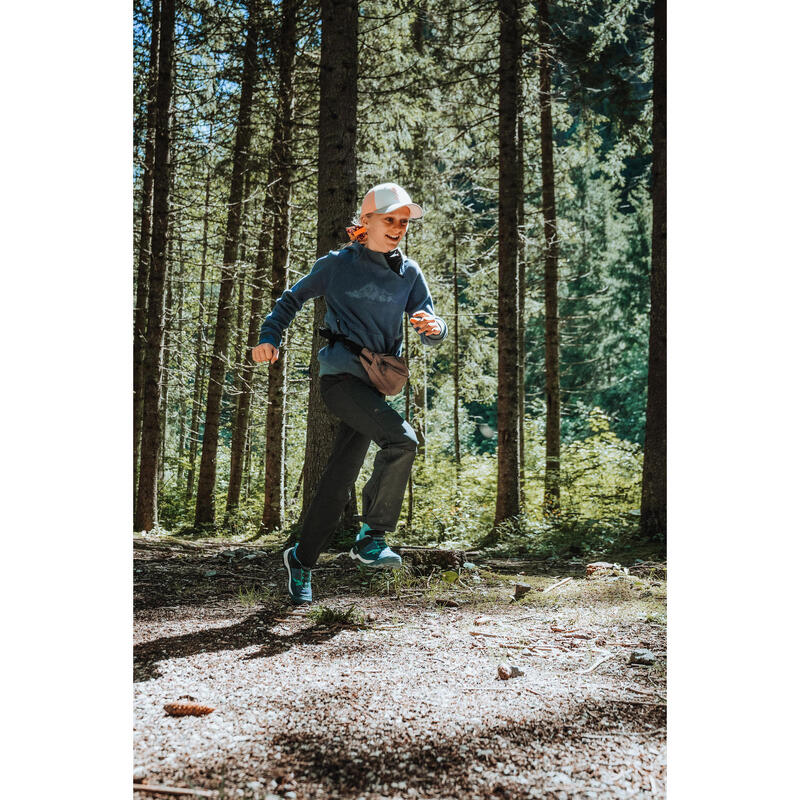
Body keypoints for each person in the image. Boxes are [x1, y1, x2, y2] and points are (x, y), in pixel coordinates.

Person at [252, 182, 448, 604]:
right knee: (403, 440)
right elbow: (291, 299)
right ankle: (371, 537)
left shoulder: (408, 272)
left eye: (403, 221)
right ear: (366, 222)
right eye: (389, 219)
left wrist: (434, 328)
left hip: (375, 386)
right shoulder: (338, 264)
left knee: (338, 478)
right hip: (340, 380)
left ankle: (301, 560)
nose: (398, 228)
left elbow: (430, 320)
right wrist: (270, 336)